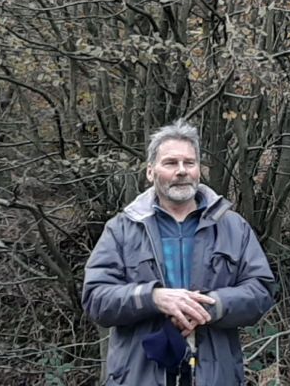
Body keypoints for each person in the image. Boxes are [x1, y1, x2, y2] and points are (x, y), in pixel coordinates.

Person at [81, 121, 276, 385]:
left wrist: (210, 306)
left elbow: (261, 290)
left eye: (189, 163)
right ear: (151, 172)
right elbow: (96, 298)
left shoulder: (233, 226)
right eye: (171, 163)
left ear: (199, 170)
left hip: (216, 375)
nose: (182, 171)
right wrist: (153, 298)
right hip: (140, 374)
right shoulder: (122, 229)